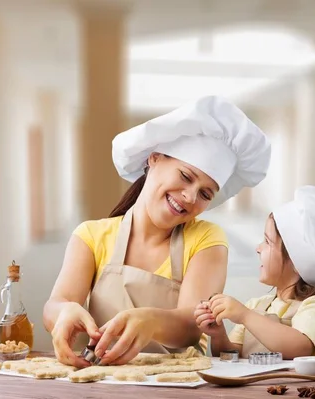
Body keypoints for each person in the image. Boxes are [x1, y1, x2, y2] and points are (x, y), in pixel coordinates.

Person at [43, 96, 271, 367]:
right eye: (185, 176)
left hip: (178, 384)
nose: (189, 196)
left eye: (205, 193)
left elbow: (191, 326)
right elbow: (56, 304)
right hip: (98, 382)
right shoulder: (92, 235)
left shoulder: (206, 240)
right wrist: (64, 312)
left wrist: (150, 321)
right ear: (154, 158)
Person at [194, 186, 315, 359]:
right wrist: (218, 335)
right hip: (257, 387)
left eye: (267, 242)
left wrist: (244, 316)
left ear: (298, 261)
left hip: (295, 387)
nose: (258, 248)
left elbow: (300, 347)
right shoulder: (256, 306)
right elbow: (231, 357)